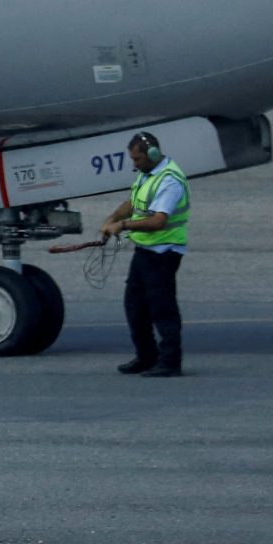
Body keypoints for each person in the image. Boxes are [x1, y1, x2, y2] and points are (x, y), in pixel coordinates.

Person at [102, 130, 189, 377]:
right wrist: (113, 217)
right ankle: (146, 356)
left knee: (162, 308)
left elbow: (158, 220)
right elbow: (133, 202)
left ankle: (170, 361)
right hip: (145, 251)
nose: (134, 164)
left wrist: (123, 225)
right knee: (135, 306)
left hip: (164, 251)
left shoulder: (169, 180)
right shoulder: (147, 175)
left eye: (137, 159)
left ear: (152, 154)